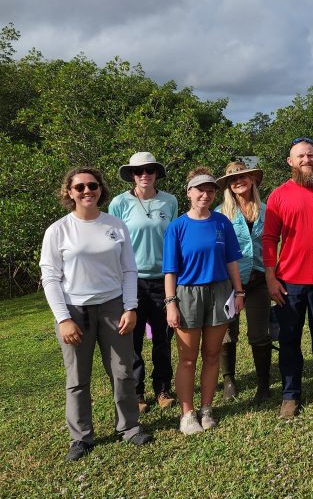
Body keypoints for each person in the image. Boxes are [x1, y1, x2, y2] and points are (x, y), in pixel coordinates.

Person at [40, 167, 153, 461]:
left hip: (113, 306)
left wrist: (130, 307)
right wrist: (63, 319)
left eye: (92, 185)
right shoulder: (58, 230)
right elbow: (50, 278)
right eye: (79, 187)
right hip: (74, 311)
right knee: (77, 378)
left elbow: (129, 270)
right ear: (69, 192)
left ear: (101, 189)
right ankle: (81, 437)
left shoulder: (115, 225)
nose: (87, 191)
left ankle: (129, 427)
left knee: (122, 372)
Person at [262, 138, 313, 419]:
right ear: (290, 162)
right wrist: (270, 278)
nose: (306, 160)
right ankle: (290, 394)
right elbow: (269, 239)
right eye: (300, 156)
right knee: (289, 339)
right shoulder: (278, 195)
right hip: (289, 280)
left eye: (310, 155)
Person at [163, 167, 246, 435]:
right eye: (200, 190)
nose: (206, 195)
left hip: (220, 292)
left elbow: (231, 261)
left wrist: (239, 292)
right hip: (187, 293)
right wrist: (171, 303)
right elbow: (170, 270)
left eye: (211, 191)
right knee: (188, 358)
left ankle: (206, 408)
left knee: (212, 355)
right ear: (189, 192)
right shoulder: (177, 227)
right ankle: (187, 413)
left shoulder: (222, 222)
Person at [109, 152, 179, 413]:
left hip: (164, 280)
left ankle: (163, 388)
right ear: (132, 175)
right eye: (139, 171)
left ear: (156, 173)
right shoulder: (119, 203)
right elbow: (112, 244)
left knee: (163, 339)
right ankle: (137, 393)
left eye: (150, 170)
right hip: (131, 282)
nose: (145, 175)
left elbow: (174, 239)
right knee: (133, 341)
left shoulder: (169, 201)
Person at [214, 161, 274, 403]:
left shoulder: (266, 210)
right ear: (229, 185)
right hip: (229, 282)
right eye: (233, 179)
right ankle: (229, 379)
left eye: (243, 177)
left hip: (259, 279)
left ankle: (263, 383)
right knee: (228, 332)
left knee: (259, 333)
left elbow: (272, 244)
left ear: (252, 180)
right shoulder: (220, 214)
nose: (239, 181)